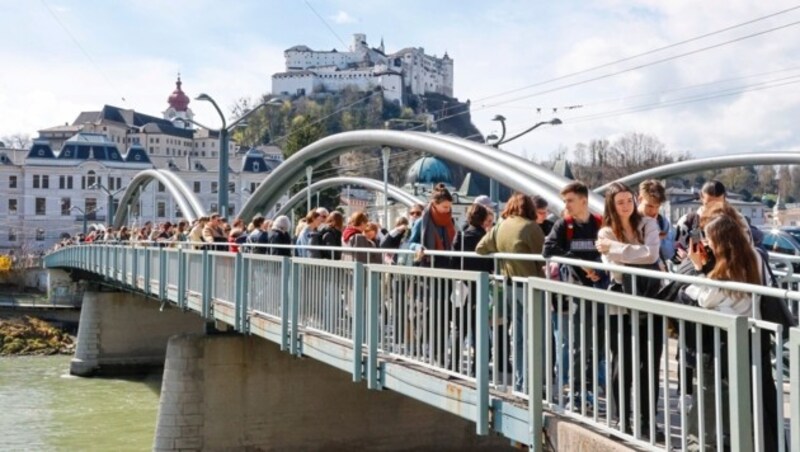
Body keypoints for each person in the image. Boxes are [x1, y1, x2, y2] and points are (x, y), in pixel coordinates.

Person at [682, 213, 778, 451]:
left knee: (725, 393)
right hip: (755, 335)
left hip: (729, 340)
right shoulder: (755, 256)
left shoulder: (725, 267)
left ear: (719, 241)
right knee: (757, 396)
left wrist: (697, 268)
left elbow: (705, 298)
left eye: (708, 239)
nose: (706, 244)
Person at [595, 182, 662, 439]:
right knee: (621, 363)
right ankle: (621, 419)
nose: (625, 206)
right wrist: (633, 252)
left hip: (649, 298)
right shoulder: (605, 232)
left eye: (628, 200)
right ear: (611, 205)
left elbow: (652, 255)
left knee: (649, 364)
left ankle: (647, 422)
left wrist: (616, 249)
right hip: (620, 302)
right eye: (619, 202)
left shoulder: (648, 224)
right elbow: (616, 268)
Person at [542, 181, 606, 401]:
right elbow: (548, 249)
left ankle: (589, 386)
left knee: (598, 343)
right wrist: (580, 264)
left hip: (600, 287)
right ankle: (578, 390)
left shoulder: (599, 223)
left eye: (570, 201)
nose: (566, 205)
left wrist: (598, 269)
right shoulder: (563, 225)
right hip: (578, 289)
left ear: (584, 201)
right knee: (580, 343)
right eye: (564, 201)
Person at [476, 192, 544, 391]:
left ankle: (520, 381)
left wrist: (501, 253)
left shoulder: (500, 226)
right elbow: (544, 255)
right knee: (534, 336)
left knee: (520, 336)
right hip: (531, 286)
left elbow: (480, 248)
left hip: (509, 285)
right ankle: (531, 383)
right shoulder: (531, 227)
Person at [451, 202, 494, 375]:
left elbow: (453, 261)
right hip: (480, 285)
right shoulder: (484, 237)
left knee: (460, 328)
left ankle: (453, 364)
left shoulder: (460, 235)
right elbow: (491, 263)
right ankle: (479, 367)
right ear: (483, 220)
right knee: (480, 329)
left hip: (463, 286)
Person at [408, 183, 456, 268]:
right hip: (428, 265)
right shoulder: (422, 222)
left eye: (449, 207)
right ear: (434, 204)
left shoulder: (450, 221)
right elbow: (411, 243)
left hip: (447, 264)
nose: (448, 210)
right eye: (445, 207)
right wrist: (418, 247)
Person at [637, 180, 674, 268]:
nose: (653, 211)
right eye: (649, 206)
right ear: (640, 199)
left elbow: (669, 253)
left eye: (657, 207)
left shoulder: (662, 221)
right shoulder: (629, 220)